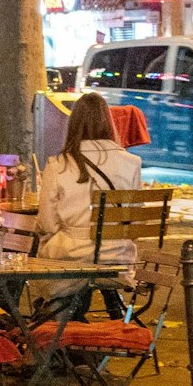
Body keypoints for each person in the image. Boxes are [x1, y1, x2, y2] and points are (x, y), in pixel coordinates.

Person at [36, 92, 143, 268]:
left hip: (70, 256)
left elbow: (48, 224)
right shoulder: (132, 163)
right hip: (118, 257)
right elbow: (135, 221)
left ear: (74, 124)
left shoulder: (58, 164)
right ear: (109, 122)